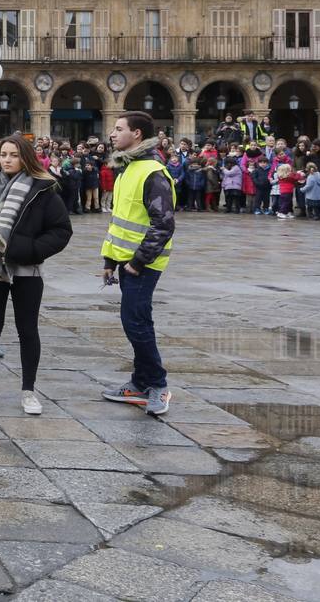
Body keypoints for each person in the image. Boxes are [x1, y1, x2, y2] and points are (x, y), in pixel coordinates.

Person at [0, 135, 72, 415]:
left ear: (25, 157)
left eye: (13, 155)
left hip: (27, 270)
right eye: (3, 154)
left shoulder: (42, 188)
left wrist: (31, 250)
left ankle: (28, 391)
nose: (7, 159)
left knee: (28, 330)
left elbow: (61, 231)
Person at [101, 111, 176, 417]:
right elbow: (121, 221)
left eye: (119, 129)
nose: (112, 134)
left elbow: (164, 223)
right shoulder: (127, 168)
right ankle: (139, 382)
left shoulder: (152, 172)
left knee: (137, 321)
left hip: (143, 264)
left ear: (137, 135)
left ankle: (157, 384)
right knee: (132, 321)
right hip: (125, 260)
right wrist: (109, 259)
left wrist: (138, 261)